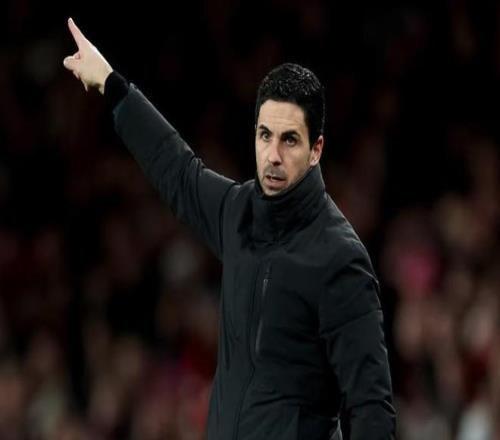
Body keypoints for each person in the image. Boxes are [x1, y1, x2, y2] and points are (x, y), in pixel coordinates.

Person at [63, 17, 396, 440]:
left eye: (289, 139)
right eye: (265, 135)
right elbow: (177, 169)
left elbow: (370, 407)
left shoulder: (339, 259)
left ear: (316, 149)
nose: (272, 155)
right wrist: (112, 86)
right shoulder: (238, 211)